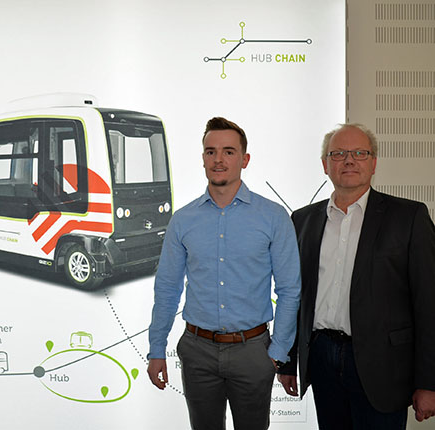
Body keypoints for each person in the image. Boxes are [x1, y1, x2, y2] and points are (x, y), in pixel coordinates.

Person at [147, 117, 301, 430]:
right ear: (203, 158)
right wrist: (156, 348)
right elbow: (167, 288)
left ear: (244, 159)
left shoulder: (273, 217)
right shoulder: (183, 220)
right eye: (211, 151)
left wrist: (276, 353)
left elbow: (290, 289)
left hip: (253, 352)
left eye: (229, 152)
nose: (219, 159)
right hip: (197, 351)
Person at [277, 124, 435, 428]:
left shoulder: (409, 218)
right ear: (325, 164)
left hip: (383, 365)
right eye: (338, 154)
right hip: (322, 357)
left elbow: (428, 303)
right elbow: (295, 297)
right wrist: (287, 360)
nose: (349, 161)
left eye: (360, 153)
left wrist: (428, 382)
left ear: (373, 162)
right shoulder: (302, 220)